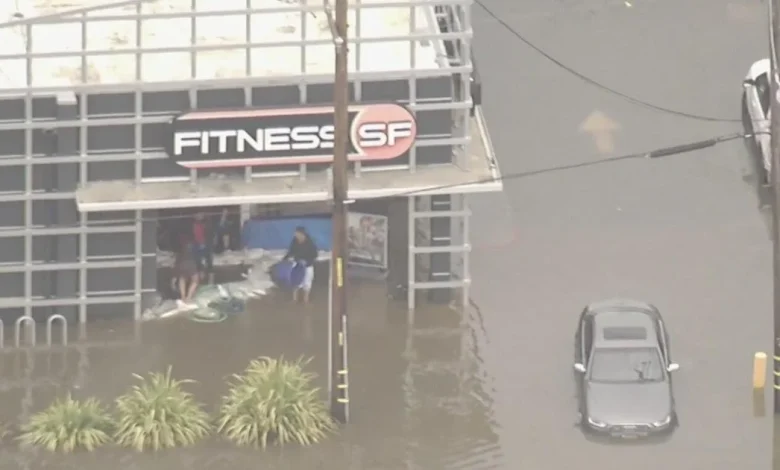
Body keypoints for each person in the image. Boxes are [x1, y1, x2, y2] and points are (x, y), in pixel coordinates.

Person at [283, 226, 318, 303]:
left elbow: (315, 255)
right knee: (295, 281)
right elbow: (291, 251)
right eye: (295, 234)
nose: (296, 236)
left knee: (307, 283)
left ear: (303, 234)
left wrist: (307, 261)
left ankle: (306, 299)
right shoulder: (295, 241)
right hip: (297, 264)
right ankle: (295, 299)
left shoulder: (310, 243)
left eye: (297, 234)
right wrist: (285, 258)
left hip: (308, 265)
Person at [174, 241, 199, 308]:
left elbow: (177, 260)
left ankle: (183, 297)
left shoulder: (180, 249)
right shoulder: (194, 247)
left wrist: (175, 272)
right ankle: (188, 297)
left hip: (181, 264)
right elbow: (198, 258)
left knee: (182, 279)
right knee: (195, 280)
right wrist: (201, 268)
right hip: (191, 264)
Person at [190, 212, 213, 283]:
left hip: (203, 245)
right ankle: (206, 281)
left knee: (204, 263)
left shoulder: (204, 224)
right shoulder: (197, 224)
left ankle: (208, 281)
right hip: (200, 245)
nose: (199, 216)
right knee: (201, 264)